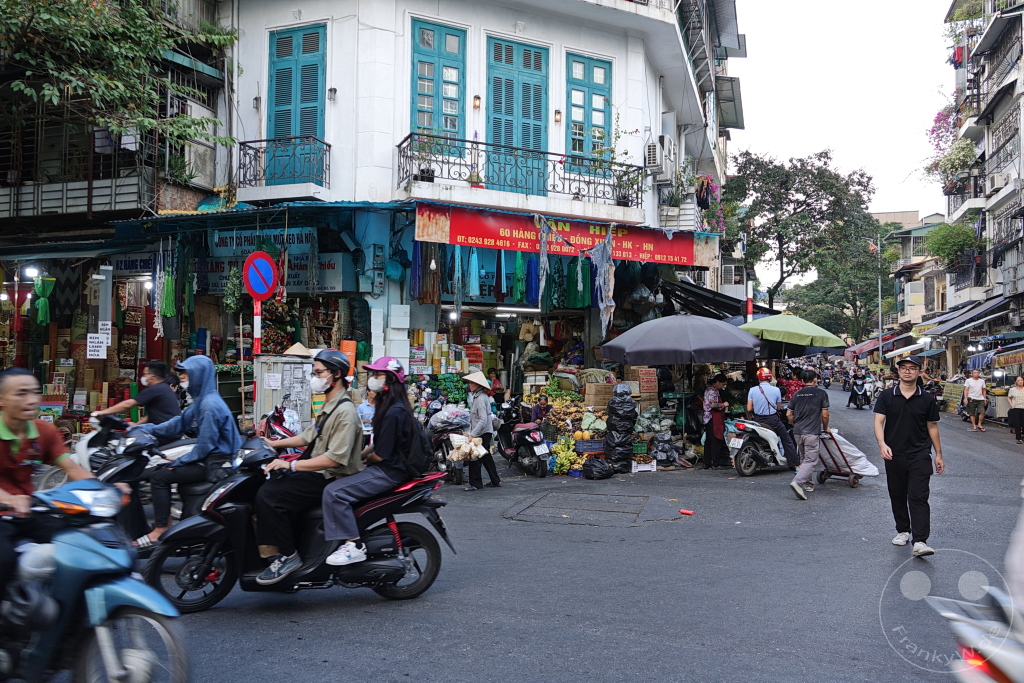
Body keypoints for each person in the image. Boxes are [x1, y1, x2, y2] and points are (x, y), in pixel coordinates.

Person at [252, 350, 364, 585]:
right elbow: (309, 435)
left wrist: (291, 464)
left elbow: (334, 460)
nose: (315, 377)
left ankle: (288, 556)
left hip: (330, 476)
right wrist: (273, 443)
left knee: (269, 495)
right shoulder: (331, 404)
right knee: (269, 480)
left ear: (337, 374)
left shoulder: (345, 412)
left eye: (319, 372)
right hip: (319, 469)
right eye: (314, 373)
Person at [0, 368, 99, 589]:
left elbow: (71, 467)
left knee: (77, 543)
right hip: (4, 513)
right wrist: (10, 499)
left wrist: (104, 489)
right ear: (2, 400)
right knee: (3, 561)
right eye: (21, 393)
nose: (31, 400)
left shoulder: (43, 431)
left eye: (34, 393)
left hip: (28, 512)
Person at [132, 355, 242, 547]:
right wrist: (142, 428)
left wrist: (179, 461)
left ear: (199, 375)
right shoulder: (202, 401)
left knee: (160, 476)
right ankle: (166, 524)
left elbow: (205, 446)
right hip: (210, 458)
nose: (181, 376)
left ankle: (160, 529)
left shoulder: (209, 406)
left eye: (185, 372)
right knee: (163, 471)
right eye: (180, 372)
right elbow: (176, 425)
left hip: (217, 463)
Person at [322, 357, 414, 566]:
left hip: (389, 471)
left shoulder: (394, 412)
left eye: (377, 375)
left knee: (334, 492)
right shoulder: (390, 406)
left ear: (389, 380)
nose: (372, 379)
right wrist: (359, 457)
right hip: (386, 467)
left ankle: (354, 545)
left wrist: (361, 461)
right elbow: (378, 445)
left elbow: (380, 455)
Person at [874, 355, 944, 558]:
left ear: (919, 371)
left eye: (912, 368)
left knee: (919, 496)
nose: (907, 371)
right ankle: (903, 530)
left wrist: (938, 454)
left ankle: (920, 540)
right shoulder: (887, 396)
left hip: (920, 454)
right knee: (897, 494)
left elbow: (932, 426)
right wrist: (882, 444)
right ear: (898, 372)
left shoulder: (926, 398)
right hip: (893, 453)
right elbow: (879, 422)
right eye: (904, 368)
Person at [92, 360, 181, 425]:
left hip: (163, 432)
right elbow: (154, 415)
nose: (144, 377)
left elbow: (127, 404)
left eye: (145, 374)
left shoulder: (155, 389)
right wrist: (136, 425)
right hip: (168, 430)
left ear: (151, 376)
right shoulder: (164, 388)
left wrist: (102, 412)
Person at [787, 369, 830, 500]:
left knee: (804, 458)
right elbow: (825, 414)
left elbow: (789, 414)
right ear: (815, 379)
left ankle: (809, 484)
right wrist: (826, 427)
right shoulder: (821, 393)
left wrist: (795, 425)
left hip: (798, 431)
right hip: (811, 432)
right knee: (811, 460)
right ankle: (798, 482)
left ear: (801, 381)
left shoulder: (797, 394)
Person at [745, 368, 799, 469]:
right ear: (770, 378)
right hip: (773, 420)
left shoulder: (752, 390)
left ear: (758, 378)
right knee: (786, 439)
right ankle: (794, 463)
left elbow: (749, 408)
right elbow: (778, 407)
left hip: (757, 420)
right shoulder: (776, 390)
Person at [463, 371, 502, 491]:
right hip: (485, 431)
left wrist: (472, 434)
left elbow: (483, 419)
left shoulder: (480, 398)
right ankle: (495, 480)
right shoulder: (479, 396)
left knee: (474, 456)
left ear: (477, 385)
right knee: (485, 456)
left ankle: (476, 483)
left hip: (482, 432)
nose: (469, 385)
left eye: (471, 383)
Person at [702, 374, 729, 469]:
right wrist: (723, 404)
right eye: (722, 384)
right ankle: (715, 463)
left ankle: (707, 462)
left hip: (708, 418)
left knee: (709, 440)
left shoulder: (712, 390)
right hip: (712, 417)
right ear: (717, 382)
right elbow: (713, 405)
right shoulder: (712, 391)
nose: (723, 386)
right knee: (714, 440)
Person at [1009, 376, 1024, 444]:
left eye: (1021, 380)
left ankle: (1022, 434)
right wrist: (1012, 405)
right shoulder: (1012, 390)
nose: (1020, 381)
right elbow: (1009, 398)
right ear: (1015, 382)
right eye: (1018, 380)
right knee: (1017, 423)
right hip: (1016, 408)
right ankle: (1019, 438)